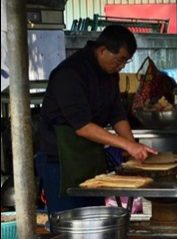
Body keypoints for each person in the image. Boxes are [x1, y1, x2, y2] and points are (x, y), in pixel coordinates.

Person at [36, 25, 157, 217]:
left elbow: (116, 114)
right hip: (60, 162)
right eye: (120, 60)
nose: (121, 66)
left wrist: (132, 147)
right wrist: (126, 144)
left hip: (90, 160)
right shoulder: (70, 74)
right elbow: (82, 126)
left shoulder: (109, 74)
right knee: (69, 229)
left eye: (126, 62)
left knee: (95, 224)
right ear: (102, 50)